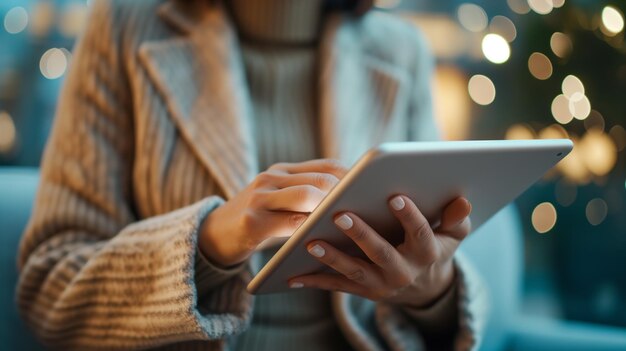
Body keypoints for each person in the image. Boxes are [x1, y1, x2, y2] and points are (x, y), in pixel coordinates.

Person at [16, 0, 486, 350]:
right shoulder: (123, 26)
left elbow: (445, 283)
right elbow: (50, 291)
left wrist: (431, 291)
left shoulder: (402, 48)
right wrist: (212, 241)